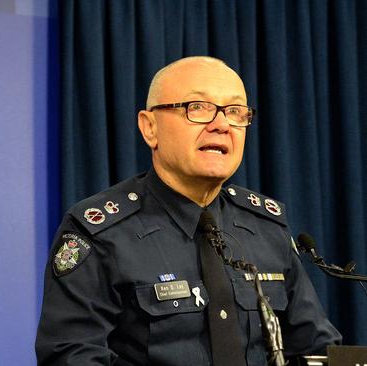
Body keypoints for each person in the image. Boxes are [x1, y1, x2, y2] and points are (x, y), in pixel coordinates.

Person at [35, 56, 341, 365]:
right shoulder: (99, 231)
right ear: (149, 127)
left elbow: (316, 349)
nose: (221, 125)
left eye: (235, 112)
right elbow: (70, 355)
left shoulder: (266, 227)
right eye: (198, 108)